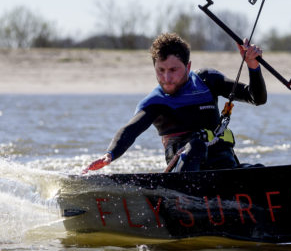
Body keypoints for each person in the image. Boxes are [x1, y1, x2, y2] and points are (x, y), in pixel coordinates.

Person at [82, 32, 267, 174]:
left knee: (259, 170)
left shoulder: (207, 81)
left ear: (188, 66)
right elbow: (130, 129)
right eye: (160, 70)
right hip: (185, 172)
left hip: (224, 170)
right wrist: (110, 155)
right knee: (197, 146)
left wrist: (252, 65)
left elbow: (256, 98)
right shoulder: (156, 102)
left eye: (173, 70)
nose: (166, 78)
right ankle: (185, 201)